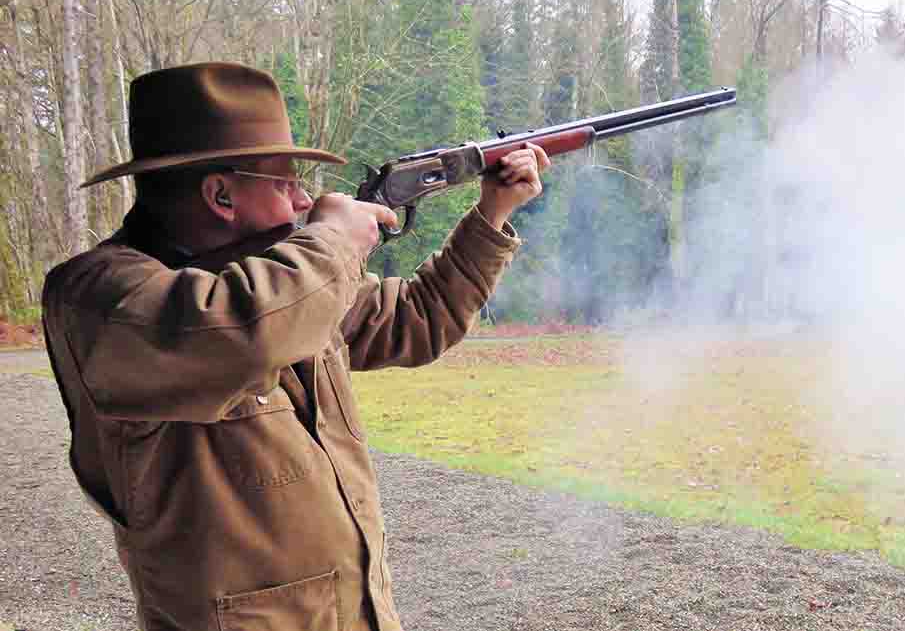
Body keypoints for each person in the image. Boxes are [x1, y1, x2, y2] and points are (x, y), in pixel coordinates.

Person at [41, 61, 549, 631]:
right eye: (287, 182)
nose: (305, 201)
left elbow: (416, 318)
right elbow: (239, 334)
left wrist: (493, 214)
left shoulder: (285, 283)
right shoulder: (99, 296)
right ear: (220, 195)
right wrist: (334, 240)